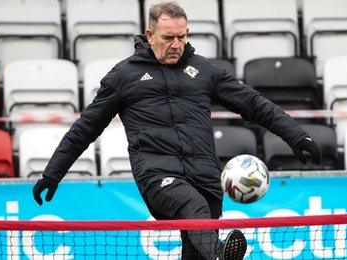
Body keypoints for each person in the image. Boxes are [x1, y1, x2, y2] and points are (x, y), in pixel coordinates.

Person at [32, 2, 322, 259]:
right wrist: (52, 173)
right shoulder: (124, 76)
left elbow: (254, 103)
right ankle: (221, 255)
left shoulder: (204, 70)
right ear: (149, 35)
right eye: (168, 37)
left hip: (206, 178)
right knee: (192, 207)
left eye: (182, 37)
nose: (176, 44)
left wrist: (296, 135)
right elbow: (85, 128)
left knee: (196, 247)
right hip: (158, 176)